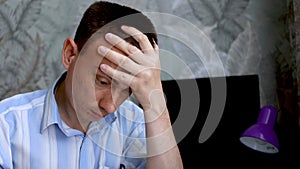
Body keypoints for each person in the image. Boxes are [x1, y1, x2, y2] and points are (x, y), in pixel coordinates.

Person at [0, 1, 183, 169]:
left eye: (127, 89)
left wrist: (155, 101)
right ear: (70, 54)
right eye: (103, 81)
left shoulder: (135, 124)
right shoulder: (7, 126)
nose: (110, 107)